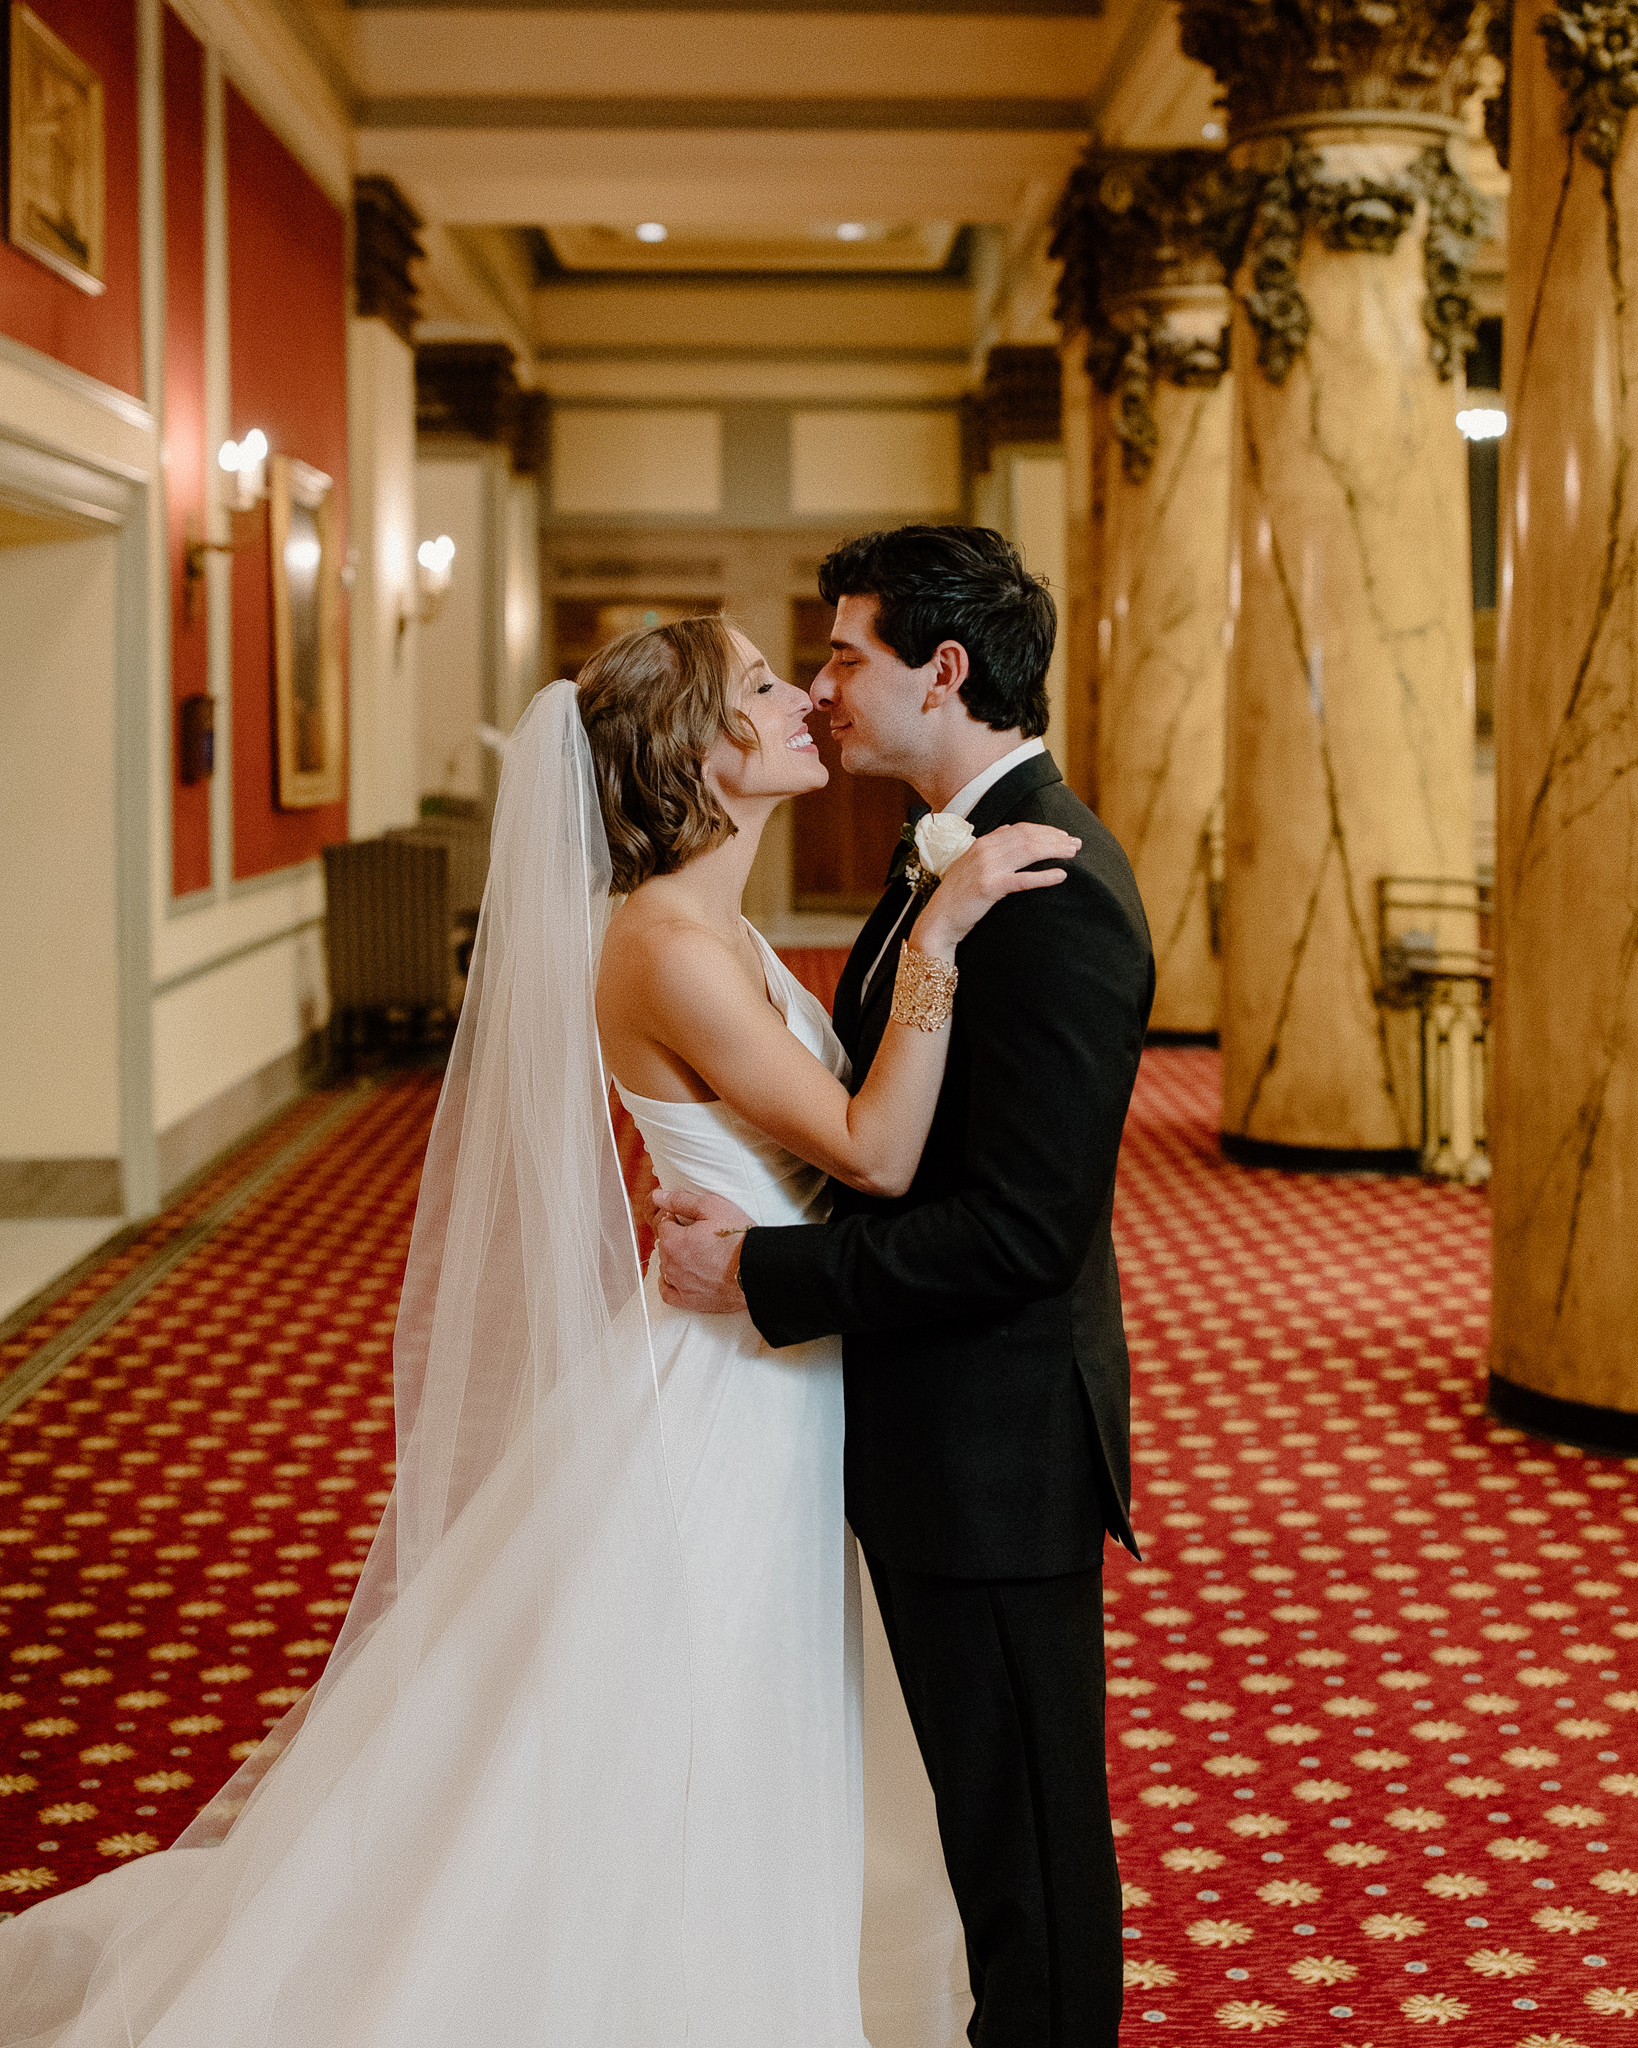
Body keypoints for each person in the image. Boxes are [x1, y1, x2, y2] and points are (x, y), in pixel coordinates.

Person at [0, 615, 1077, 2048]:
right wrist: (942, 933)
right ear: (704, 751)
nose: (802, 698)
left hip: (784, 1350)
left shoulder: (719, 928)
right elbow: (872, 1156)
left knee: (765, 1728)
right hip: (732, 1393)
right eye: (763, 683)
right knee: (690, 1742)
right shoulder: (663, 949)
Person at [654, 527, 1156, 2048]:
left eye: (843, 656)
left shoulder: (1054, 890)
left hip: (997, 1443)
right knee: (964, 1829)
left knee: (1031, 1858)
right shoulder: (945, 851)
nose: (820, 691)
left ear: (942, 671)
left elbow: (1019, 1234)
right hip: (922, 1417)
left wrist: (763, 1269)